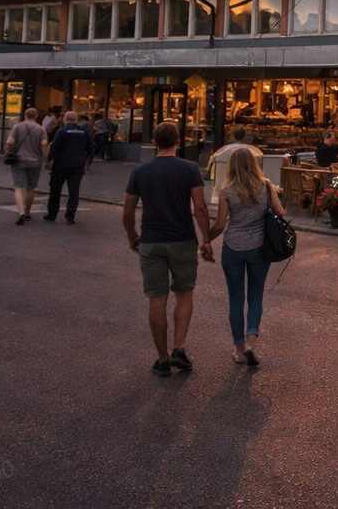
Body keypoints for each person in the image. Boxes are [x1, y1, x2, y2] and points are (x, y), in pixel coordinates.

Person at [122, 121, 213, 377]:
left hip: (151, 240)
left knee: (157, 297)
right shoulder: (190, 169)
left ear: (153, 143)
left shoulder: (140, 171)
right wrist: (206, 239)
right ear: (178, 142)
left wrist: (133, 236)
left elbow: (127, 212)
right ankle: (179, 348)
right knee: (184, 294)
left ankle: (162, 359)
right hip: (182, 240)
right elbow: (200, 207)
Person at [208, 147, 285, 367]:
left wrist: (206, 239)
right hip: (259, 248)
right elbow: (280, 212)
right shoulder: (266, 186)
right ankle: (252, 341)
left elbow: (220, 224)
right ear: (254, 164)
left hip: (233, 247)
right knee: (255, 296)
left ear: (231, 166)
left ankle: (239, 348)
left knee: (235, 298)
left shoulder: (227, 191)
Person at [43, 110, 94, 224]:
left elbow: (54, 147)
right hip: (78, 165)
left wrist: (48, 160)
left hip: (61, 164)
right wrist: (85, 162)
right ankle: (70, 217)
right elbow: (91, 148)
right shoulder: (84, 132)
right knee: (74, 191)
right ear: (76, 120)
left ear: (65, 119)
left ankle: (52, 215)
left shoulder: (62, 131)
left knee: (55, 190)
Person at [5, 108, 48, 226]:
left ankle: (21, 211)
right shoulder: (41, 129)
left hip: (18, 161)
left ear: (25, 115)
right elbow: (44, 145)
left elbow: (10, 142)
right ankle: (28, 212)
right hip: (35, 162)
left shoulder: (18, 127)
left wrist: (7, 153)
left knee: (19, 188)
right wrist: (46, 159)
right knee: (30, 189)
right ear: (36, 116)